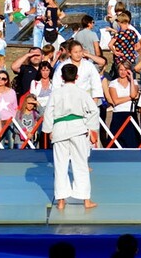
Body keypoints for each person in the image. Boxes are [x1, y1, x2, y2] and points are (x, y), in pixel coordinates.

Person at [43, 63, 99, 211]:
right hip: (78, 128)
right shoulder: (82, 93)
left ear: (61, 77)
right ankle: (86, 201)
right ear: (77, 77)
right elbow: (94, 110)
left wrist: (49, 130)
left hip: (60, 129)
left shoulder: (55, 93)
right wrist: (93, 129)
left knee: (60, 165)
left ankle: (61, 201)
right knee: (80, 164)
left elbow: (48, 113)